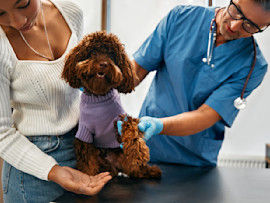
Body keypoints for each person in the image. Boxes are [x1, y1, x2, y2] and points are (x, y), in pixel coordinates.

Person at [118, 0, 270, 167]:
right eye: (237, 10)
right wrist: (103, 83)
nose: (234, 26)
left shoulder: (252, 65)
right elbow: (137, 70)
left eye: (249, 25)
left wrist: (158, 125)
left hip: (195, 162)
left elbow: (206, 114)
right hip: (147, 149)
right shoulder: (180, 18)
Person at [0, 0, 112, 202]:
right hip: (32, 168)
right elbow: (2, 133)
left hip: (84, 148)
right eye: (0, 13)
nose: (17, 21)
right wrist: (52, 170)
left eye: (23, 4)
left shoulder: (70, 13)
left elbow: (77, 84)